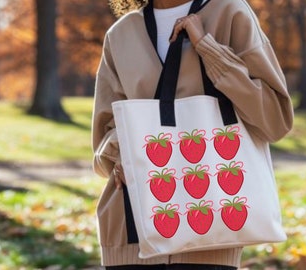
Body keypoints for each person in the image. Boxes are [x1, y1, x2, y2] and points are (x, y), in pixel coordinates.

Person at [91, 0, 294, 269]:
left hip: (211, 229)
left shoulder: (230, 12)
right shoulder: (120, 34)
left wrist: (209, 50)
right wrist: (121, 150)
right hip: (129, 226)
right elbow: (103, 144)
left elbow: (275, 120)